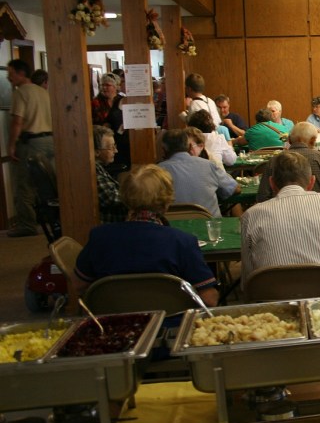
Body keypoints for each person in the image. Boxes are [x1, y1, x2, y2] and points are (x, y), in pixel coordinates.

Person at [72, 164, 218, 308]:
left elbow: (79, 285)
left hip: (112, 324)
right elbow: (209, 299)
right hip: (171, 326)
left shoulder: (99, 237)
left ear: (124, 196)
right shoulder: (183, 242)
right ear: (167, 201)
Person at [240, 151, 320, 289]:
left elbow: (248, 281)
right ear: (311, 182)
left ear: (272, 184)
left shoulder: (250, 216)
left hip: (274, 301)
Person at [6, 59, 54, 236]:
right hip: (50, 140)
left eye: (11, 73)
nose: (8, 77)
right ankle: (53, 219)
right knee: (49, 183)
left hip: (32, 142)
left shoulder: (21, 93)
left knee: (25, 185)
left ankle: (27, 225)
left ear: (21, 73)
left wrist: (11, 145)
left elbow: (17, 121)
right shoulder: (42, 92)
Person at [158, 128, 239, 217]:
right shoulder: (208, 165)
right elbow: (235, 189)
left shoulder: (157, 171)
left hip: (172, 227)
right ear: (189, 147)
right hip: (209, 225)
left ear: (164, 149)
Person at [256, 121, 320, 202]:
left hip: (280, 213)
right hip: (318, 209)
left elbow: (263, 196)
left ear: (289, 140)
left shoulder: (273, 161)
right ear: (313, 141)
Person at [92, 72, 129, 175]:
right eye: (102, 85)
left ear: (116, 87)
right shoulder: (96, 102)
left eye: (107, 85)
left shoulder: (120, 100)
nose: (104, 88)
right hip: (104, 142)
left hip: (122, 140)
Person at [93, 126, 127, 223]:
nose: (115, 151)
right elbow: (111, 198)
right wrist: (142, 195)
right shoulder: (93, 171)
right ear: (96, 151)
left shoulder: (98, 167)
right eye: (111, 147)